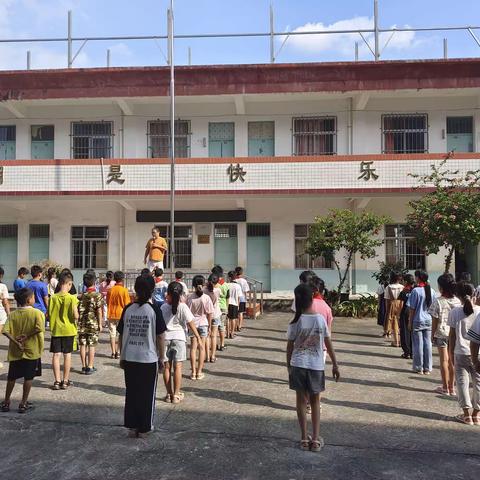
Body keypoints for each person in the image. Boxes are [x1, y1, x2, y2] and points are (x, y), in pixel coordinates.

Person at [287, 283, 340, 452]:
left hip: (298, 365)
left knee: (301, 402)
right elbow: (328, 343)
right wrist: (335, 364)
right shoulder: (320, 319)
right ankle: (316, 440)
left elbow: (289, 347)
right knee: (315, 402)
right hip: (316, 366)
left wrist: (289, 366)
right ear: (312, 298)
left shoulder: (296, 321)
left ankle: (304, 438)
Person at [118, 275, 166, 438]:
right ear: (153, 290)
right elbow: (160, 336)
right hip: (148, 358)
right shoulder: (153, 310)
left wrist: (122, 355)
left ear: (136, 289)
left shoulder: (128, 309)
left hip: (129, 357)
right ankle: (145, 428)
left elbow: (121, 334)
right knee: (147, 395)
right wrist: (162, 357)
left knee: (132, 392)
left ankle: (132, 426)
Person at [0, 288, 44, 413]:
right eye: (33, 297)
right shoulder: (37, 313)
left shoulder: (13, 314)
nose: (34, 298)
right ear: (29, 300)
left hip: (16, 351)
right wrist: (27, 336)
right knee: (28, 378)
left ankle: (6, 402)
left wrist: (16, 342)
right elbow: (39, 328)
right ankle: (23, 403)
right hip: (32, 350)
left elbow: (5, 331)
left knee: (11, 377)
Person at [161, 282, 200, 403]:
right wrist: (197, 336)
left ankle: (169, 394)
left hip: (165, 338)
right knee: (178, 367)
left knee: (167, 367)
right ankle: (176, 395)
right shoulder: (183, 306)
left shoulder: (163, 307)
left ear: (168, 294)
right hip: (179, 338)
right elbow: (190, 322)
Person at [448, 282, 480, 425]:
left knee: (462, 383)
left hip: (460, 352)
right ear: (474, 294)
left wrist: (450, 353)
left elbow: (452, 336)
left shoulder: (454, 312)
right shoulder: (479, 311)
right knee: (479, 384)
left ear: (457, 296)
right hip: (478, 353)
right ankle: (477, 415)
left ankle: (466, 415)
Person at [428, 273, 461, 395]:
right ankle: (452, 388)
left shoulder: (438, 301)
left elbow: (434, 320)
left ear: (441, 287)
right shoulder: (458, 301)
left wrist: (432, 335)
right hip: (454, 334)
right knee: (452, 361)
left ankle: (445, 387)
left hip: (441, 333)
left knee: (444, 360)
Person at [48, 272, 79, 390]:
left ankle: (57, 381)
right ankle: (65, 381)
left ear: (60, 283)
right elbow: (76, 316)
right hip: (69, 330)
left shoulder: (53, 298)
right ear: (69, 284)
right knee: (67, 355)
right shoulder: (72, 298)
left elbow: (49, 314)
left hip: (56, 330)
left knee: (56, 355)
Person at [407, 270, 436, 375]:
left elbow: (412, 309)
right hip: (428, 320)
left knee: (418, 344)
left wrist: (410, 322)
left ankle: (419, 367)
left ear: (418, 277)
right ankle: (427, 368)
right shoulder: (431, 291)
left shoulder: (415, 291)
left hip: (417, 320)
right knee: (428, 344)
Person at [186, 275, 214, 380]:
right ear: (203, 284)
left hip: (193, 325)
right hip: (203, 324)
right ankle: (199, 372)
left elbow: (187, 313)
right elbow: (210, 313)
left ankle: (193, 372)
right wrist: (210, 326)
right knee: (202, 348)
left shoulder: (190, 297)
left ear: (193, 285)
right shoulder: (206, 297)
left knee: (193, 349)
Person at [78, 273, 103, 375]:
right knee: (91, 345)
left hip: (82, 323)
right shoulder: (97, 295)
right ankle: (90, 366)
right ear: (94, 282)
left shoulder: (81, 296)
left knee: (82, 345)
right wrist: (100, 324)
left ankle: (84, 366)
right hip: (93, 323)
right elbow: (99, 311)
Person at [106, 271, 131, 359]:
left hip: (111, 314)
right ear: (122, 279)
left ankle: (113, 352)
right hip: (121, 315)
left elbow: (107, 302)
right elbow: (127, 305)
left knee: (112, 334)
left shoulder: (110, 290)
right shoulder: (124, 291)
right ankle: (119, 352)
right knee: (121, 334)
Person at [204, 273, 222, 362]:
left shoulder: (204, 290)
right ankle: (213, 356)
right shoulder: (218, 290)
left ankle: (207, 356)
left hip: (206, 315)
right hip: (215, 314)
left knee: (207, 336)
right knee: (214, 336)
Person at [384, 273, 405, 347]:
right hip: (401, 304)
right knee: (401, 323)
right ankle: (401, 341)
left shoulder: (388, 287)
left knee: (393, 322)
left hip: (392, 304)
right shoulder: (402, 287)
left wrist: (387, 310)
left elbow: (387, 299)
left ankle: (396, 341)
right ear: (399, 279)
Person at [398, 274, 415, 359]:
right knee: (413, 332)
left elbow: (400, 305)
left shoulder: (404, 292)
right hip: (414, 313)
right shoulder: (415, 290)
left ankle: (407, 352)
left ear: (406, 282)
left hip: (405, 313)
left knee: (404, 332)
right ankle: (412, 352)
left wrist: (398, 315)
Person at [212, 266, 228, 351]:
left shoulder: (212, 284)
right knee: (222, 326)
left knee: (213, 328)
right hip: (223, 306)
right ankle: (222, 344)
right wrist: (227, 307)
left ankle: (214, 345)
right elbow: (227, 297)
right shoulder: (225, 285)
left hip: (214, 308)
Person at [226, 271, 242, 339]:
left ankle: (227, 333)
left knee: (227, 319)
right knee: (233, 319)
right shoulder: (238, 286)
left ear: (229, 277)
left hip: (227, 303)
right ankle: (232, 333)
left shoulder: (226, 285)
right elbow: (239, 297)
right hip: (234, 303)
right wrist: (238, 306)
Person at [235, 267, 250, 331]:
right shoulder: (244, 281)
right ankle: (240, 326)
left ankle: (235, 326)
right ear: (242, 273)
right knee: (240, 313)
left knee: (235, 313)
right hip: (242, 298)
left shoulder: (234, 280)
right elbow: (245, 291)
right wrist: (246, 299)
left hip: (235, 298)